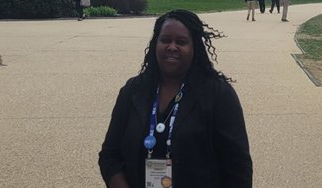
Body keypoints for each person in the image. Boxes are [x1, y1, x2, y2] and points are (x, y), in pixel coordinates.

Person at [99, 10, 252, 188]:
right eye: (165, 40)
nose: (172, 47)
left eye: (181, 42)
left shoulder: (218, 95)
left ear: (195, 47)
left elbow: (238, 168)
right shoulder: (133, 91)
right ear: (156, 43)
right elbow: (109, 155)